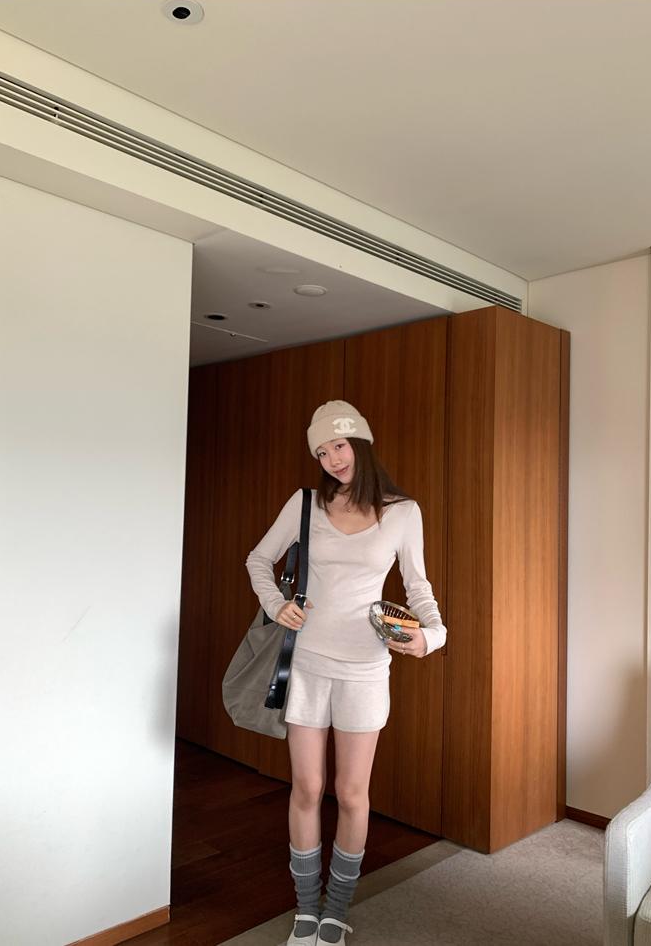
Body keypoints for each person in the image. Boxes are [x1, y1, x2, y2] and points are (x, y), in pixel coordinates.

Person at [245, 400, 446, 946]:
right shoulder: (305, 504)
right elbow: (258, 559)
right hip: (308, 663)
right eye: (321, 451)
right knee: (307, 787)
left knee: (352, 793)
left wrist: (432, 636)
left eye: (339, 445)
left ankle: (335, 911)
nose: (332, 459)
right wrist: (276, 604)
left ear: (360, 443)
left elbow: (418, 586)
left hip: (366, 669)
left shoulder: (403, 512)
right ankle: (305, 910)